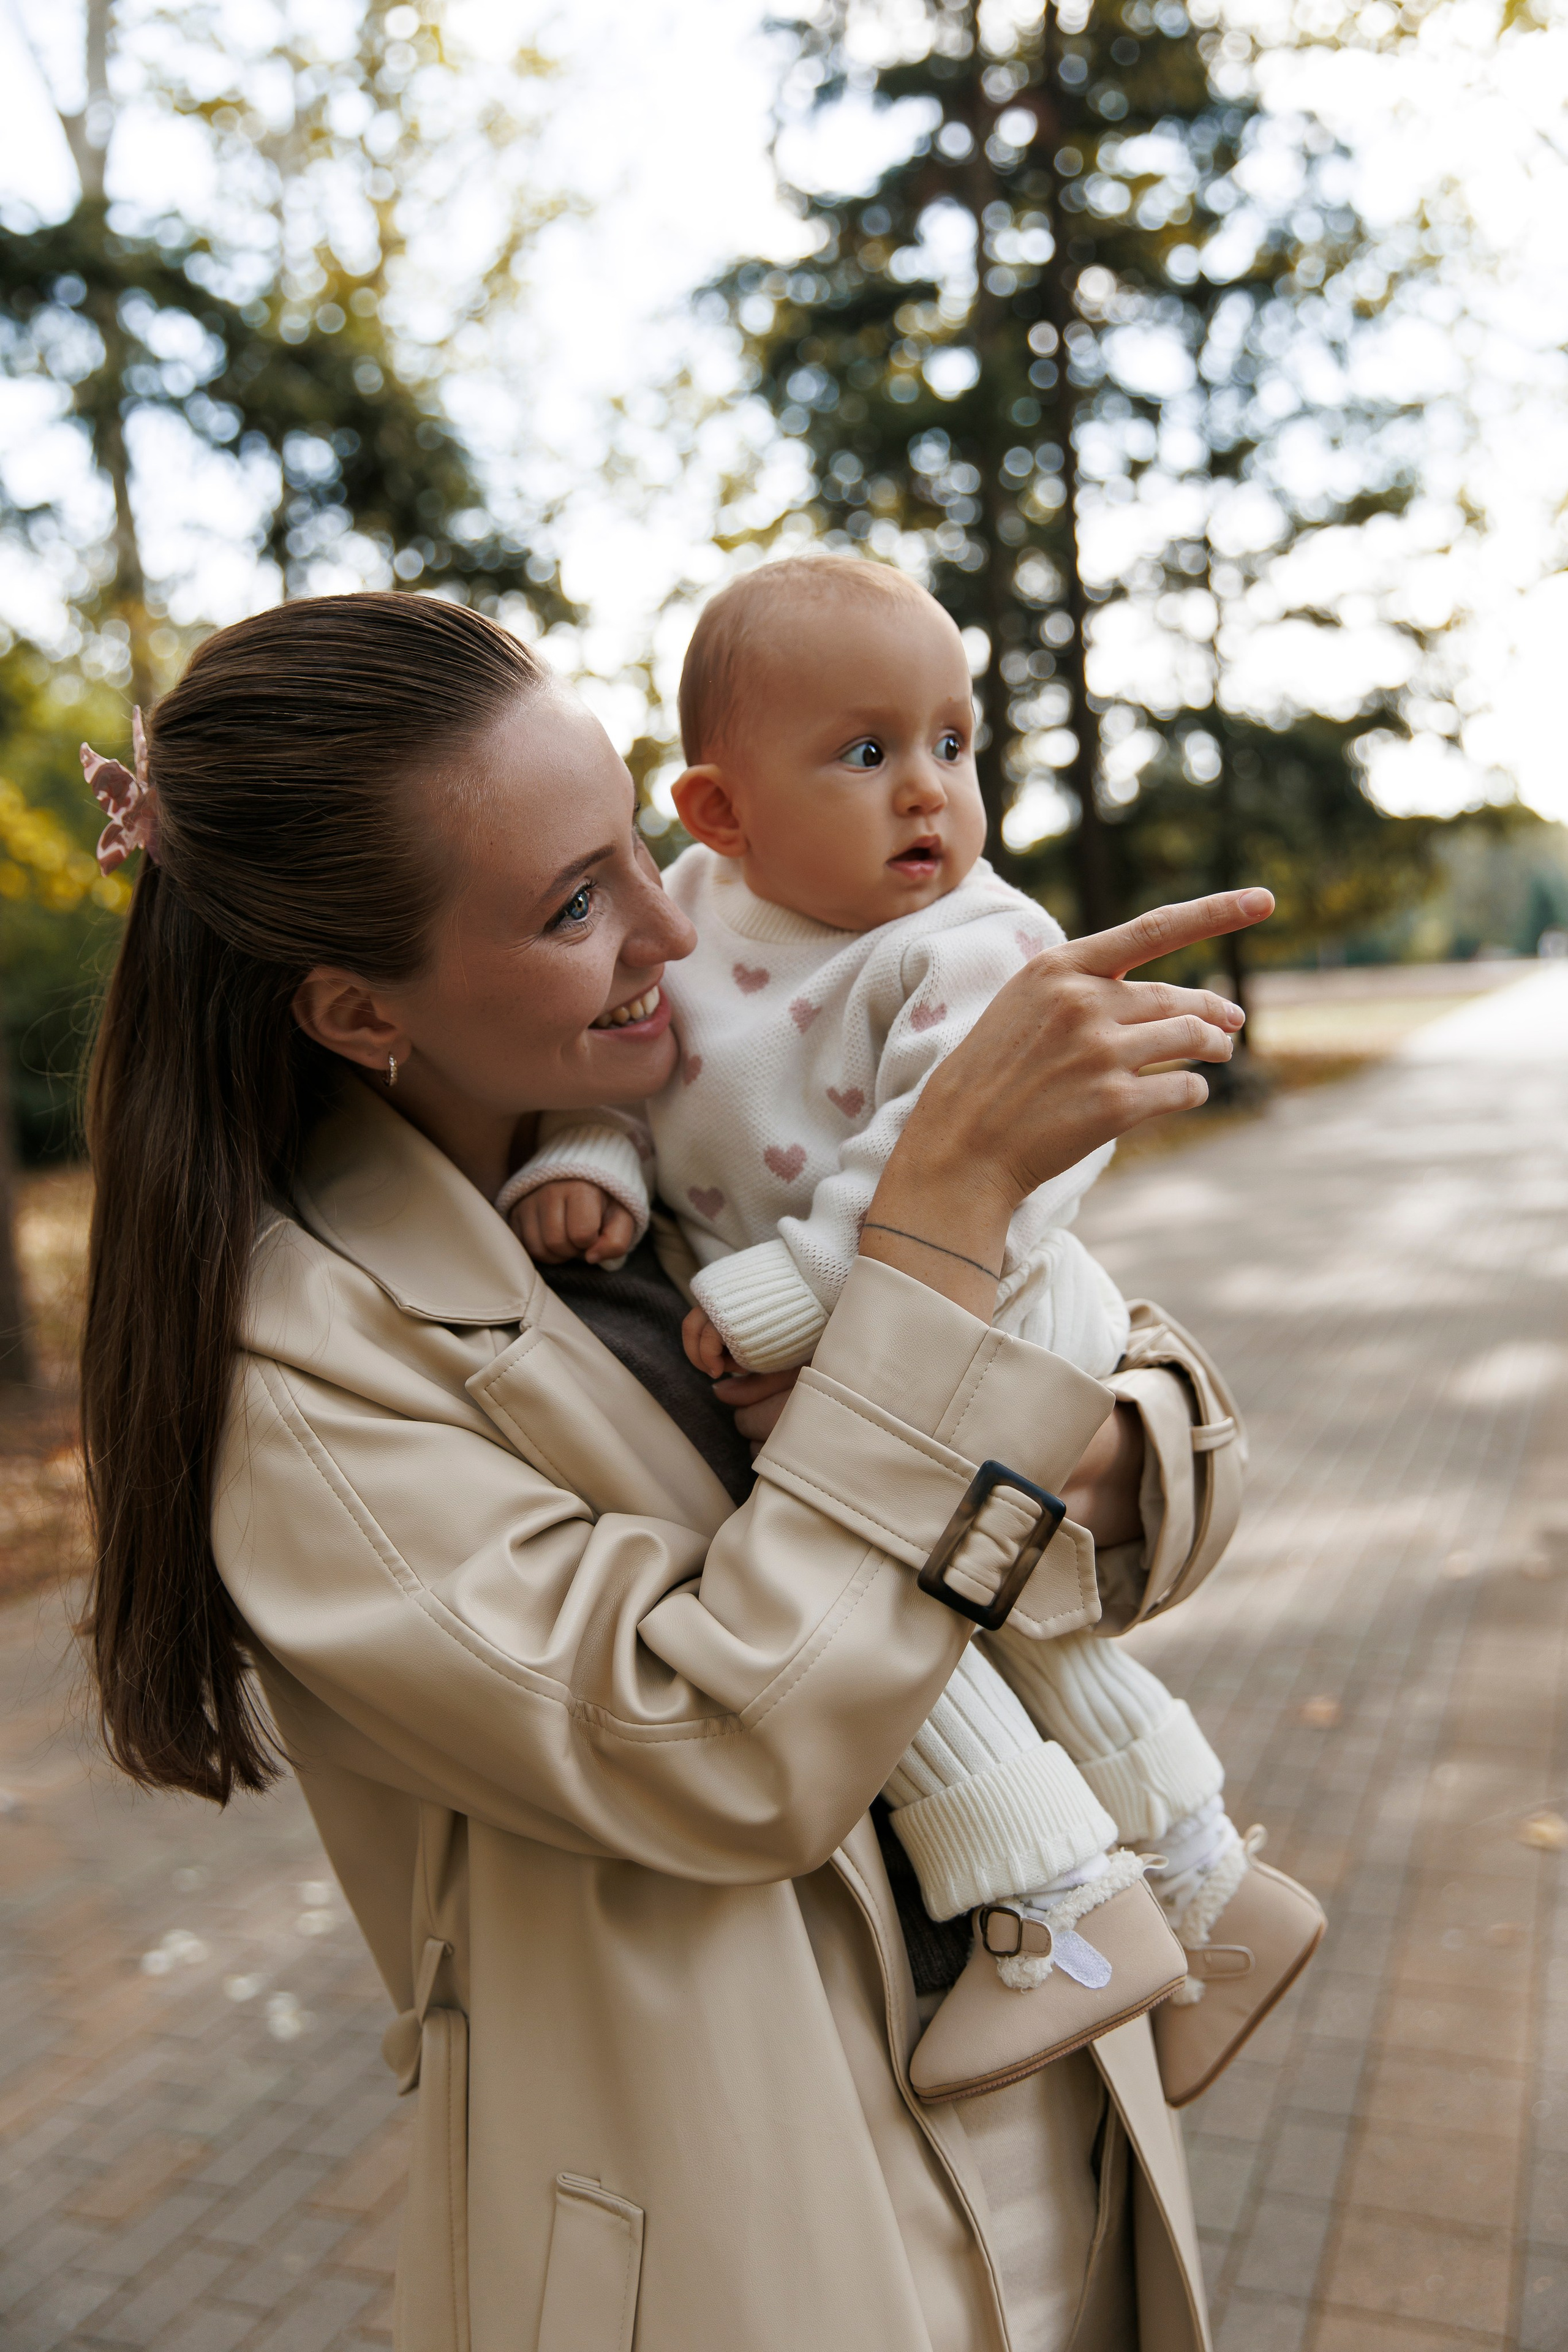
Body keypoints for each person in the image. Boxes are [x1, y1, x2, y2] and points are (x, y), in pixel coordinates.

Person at [79, 589, 1272, 2352]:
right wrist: (934, 1220)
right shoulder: (311, 1368)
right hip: (743, 2234)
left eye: (641, 842)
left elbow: (1160, 1473)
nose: (668, 922)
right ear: (353, 1007)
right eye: (574, 904)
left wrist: (1088, 1454)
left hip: (1058, 2112)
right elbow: (727, 1752)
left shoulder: (698, 1117)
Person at [500, 559, 1324, 2108]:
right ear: (722, 813)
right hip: (853, 1324)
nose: (928, 790)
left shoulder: (969, 938)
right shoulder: (688, 912)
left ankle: (1056, 1914)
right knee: (957, 1611)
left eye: (952, 741)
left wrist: (795, 1297)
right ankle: (1205, 1885)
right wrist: (588, 1161)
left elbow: (972, 1156)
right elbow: (629, 1064)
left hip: (981, 1300)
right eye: (867, 752)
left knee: (867, 1591)